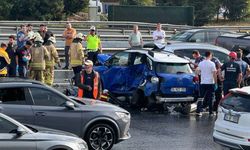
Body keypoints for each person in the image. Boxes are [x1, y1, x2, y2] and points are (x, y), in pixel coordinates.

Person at [196, 51, 217, 116]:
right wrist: (216, 83)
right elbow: (214, 74)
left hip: (203, 82)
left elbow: (198, 72)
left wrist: (201, 75)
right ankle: (211, 112)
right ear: (210, 55)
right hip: (210, 83)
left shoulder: (201, 63)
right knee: (211, 98)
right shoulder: (212, 64)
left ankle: (199, 111)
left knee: (201, 97)